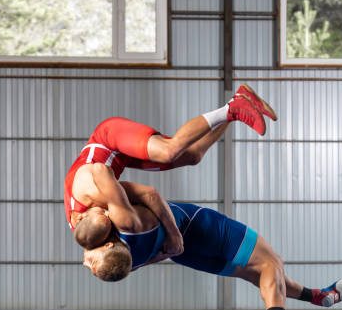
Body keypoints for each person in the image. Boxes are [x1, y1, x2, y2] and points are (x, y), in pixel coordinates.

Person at [81, 189, 342, 310]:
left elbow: (157, 256)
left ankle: (318, 296)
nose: (84, 260)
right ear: (105, 244)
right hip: (200, 228)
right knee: (272, 263)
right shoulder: (123, 218)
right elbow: (149, 193)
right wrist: (174, 235)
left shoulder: (128, 262)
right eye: (89, 259)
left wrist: (172, 247)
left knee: (262, 275)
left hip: (186, 253)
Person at [65, 84, 278, 253]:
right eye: (106, 216)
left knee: (169, 151)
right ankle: (236, 107)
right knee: (193, 156)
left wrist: (174, 234)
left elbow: (148, 194)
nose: (106, 211)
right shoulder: (88, 231)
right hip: (120, 160)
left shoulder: (90, 187)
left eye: (100, 212)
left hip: (108, 140)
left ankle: (232, 107)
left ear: (81, 217)